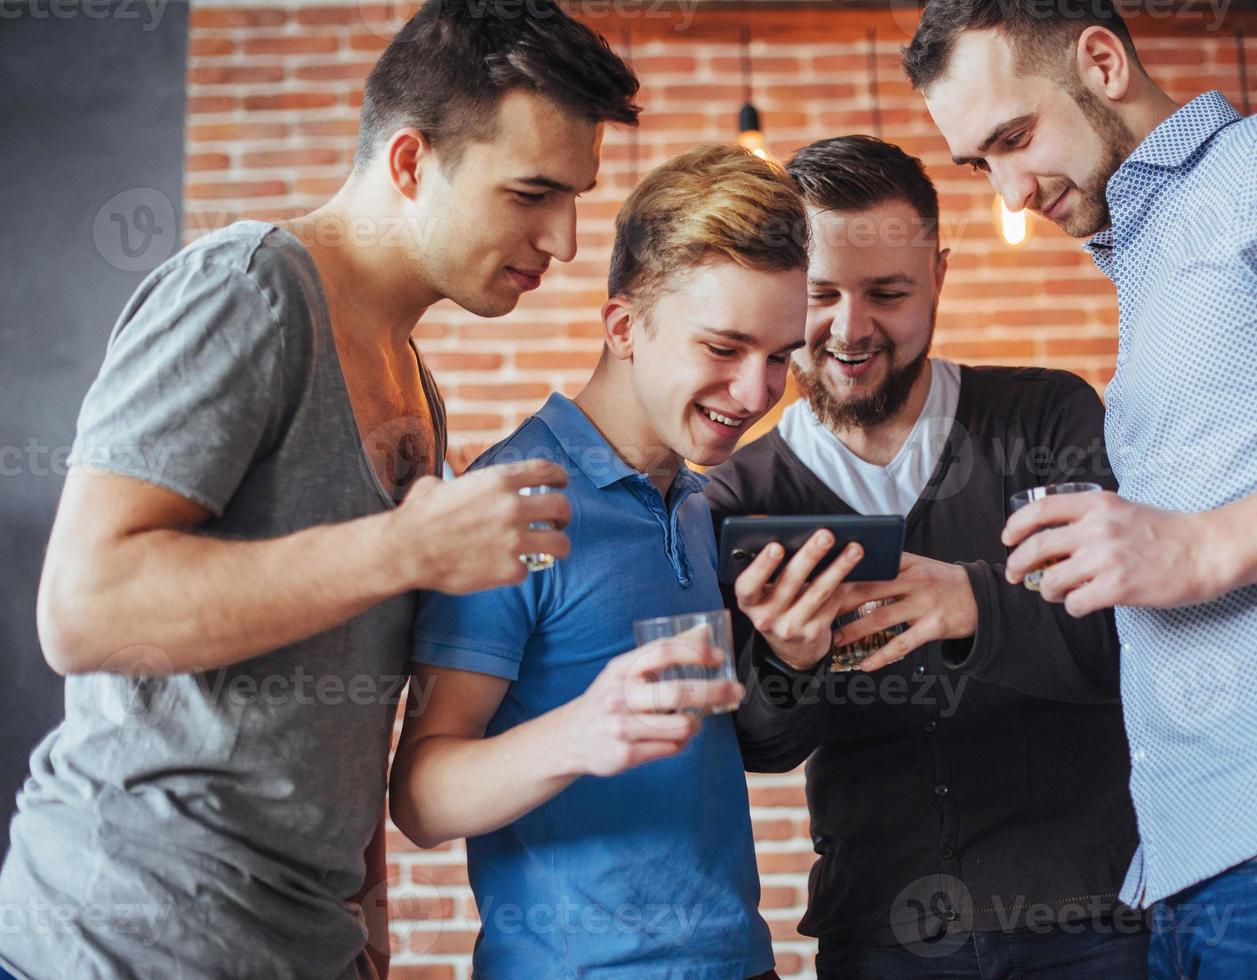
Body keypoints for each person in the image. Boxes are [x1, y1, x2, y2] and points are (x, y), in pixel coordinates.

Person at [0, 2, 639, 977]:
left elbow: (345, 716)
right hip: (124, 937)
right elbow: (82, 608)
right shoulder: (247, 289)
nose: (562, 238)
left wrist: (366, 939)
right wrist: (406, 549)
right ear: (410, 162)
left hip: (300, 946)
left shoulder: (415, 385)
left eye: (575, 198)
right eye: (532, 193)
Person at [904, 1, 1257, 975]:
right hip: (1194, 862)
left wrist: (1199, 545)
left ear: (1101, 61)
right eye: (977, 164)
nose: (1010, 188)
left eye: (1014, 137)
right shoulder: (1152, 260)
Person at [704, 135, 1145, 979]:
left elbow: (1132, 642)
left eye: (888, 293)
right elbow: (762, 748)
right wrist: (789, 662)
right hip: (880, 934)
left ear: (938, 277)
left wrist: (975, 602)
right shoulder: (737, 498)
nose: (850, 329)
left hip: (1090, 916)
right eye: (821, 295)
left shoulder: (1046, 417)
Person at [389, 143, 810, 979]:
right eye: (724, 348)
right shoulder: (512, 500)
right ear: (623, 328)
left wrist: (790, 660)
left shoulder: (692, 500)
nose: (758, 391)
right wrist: (582, 731)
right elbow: (421, 797)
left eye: (780, 356)